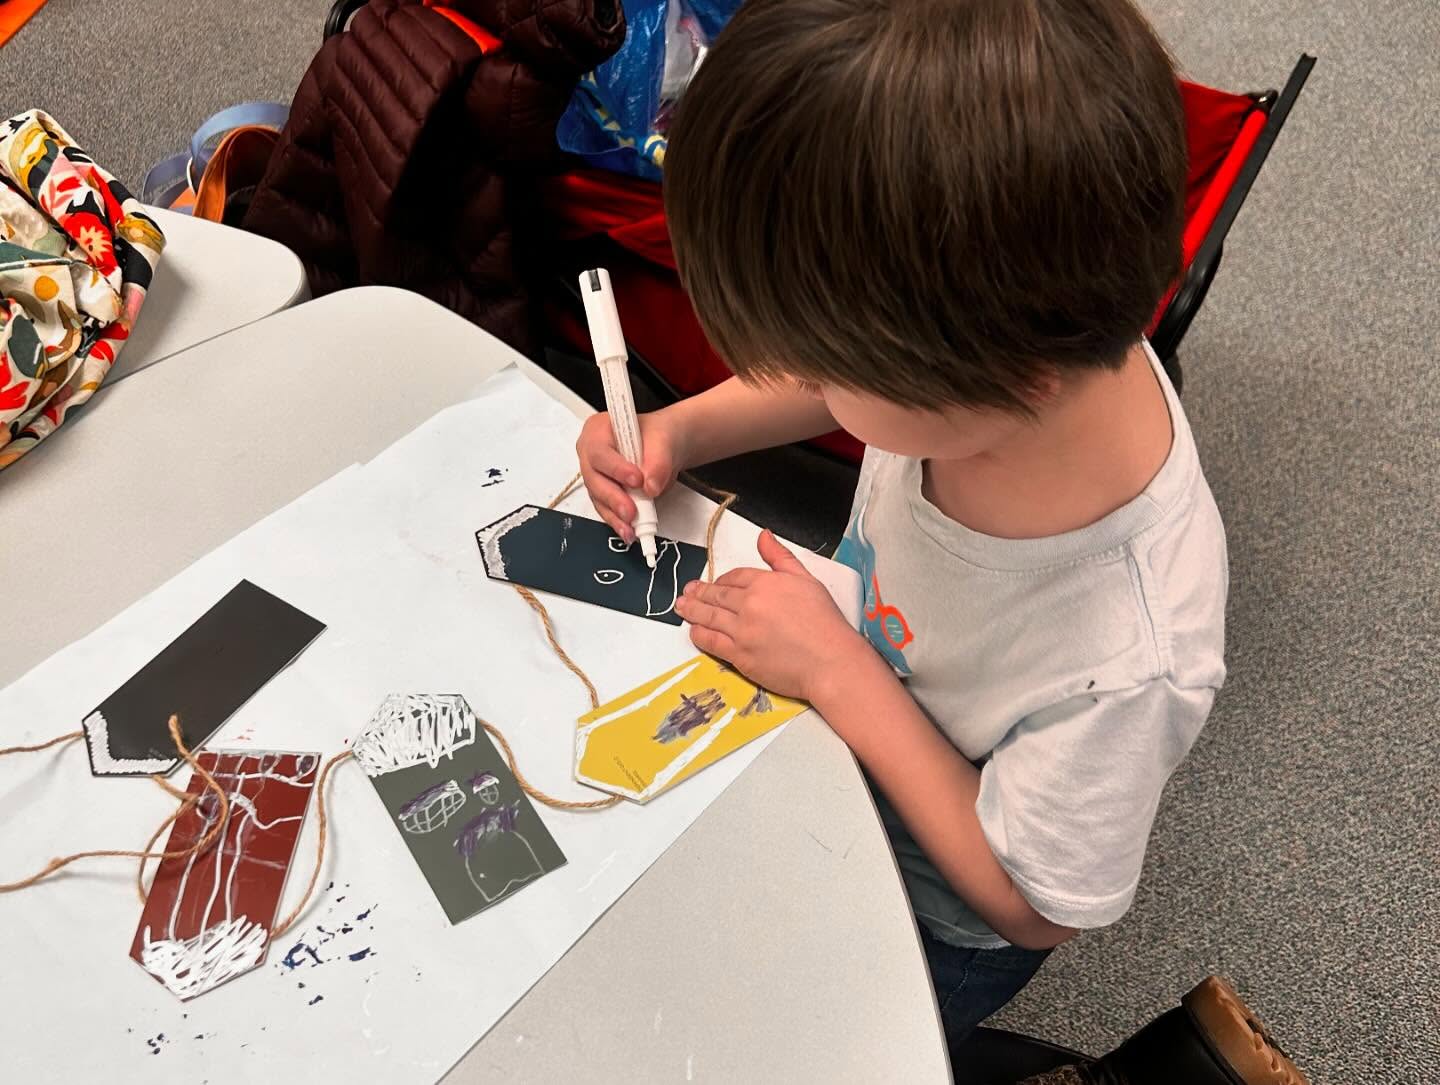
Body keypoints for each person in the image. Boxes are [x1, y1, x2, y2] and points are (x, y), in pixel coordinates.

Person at [576, 0, 1235, 1062]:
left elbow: (1033, 904)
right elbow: (840, 388)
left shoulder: (1133, 652)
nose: (816, 383)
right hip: (837, 743)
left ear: (985, 381)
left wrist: (839, 669)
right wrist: (676, 427)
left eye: (838, 365)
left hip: (936, 914)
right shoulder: (1010, 354)